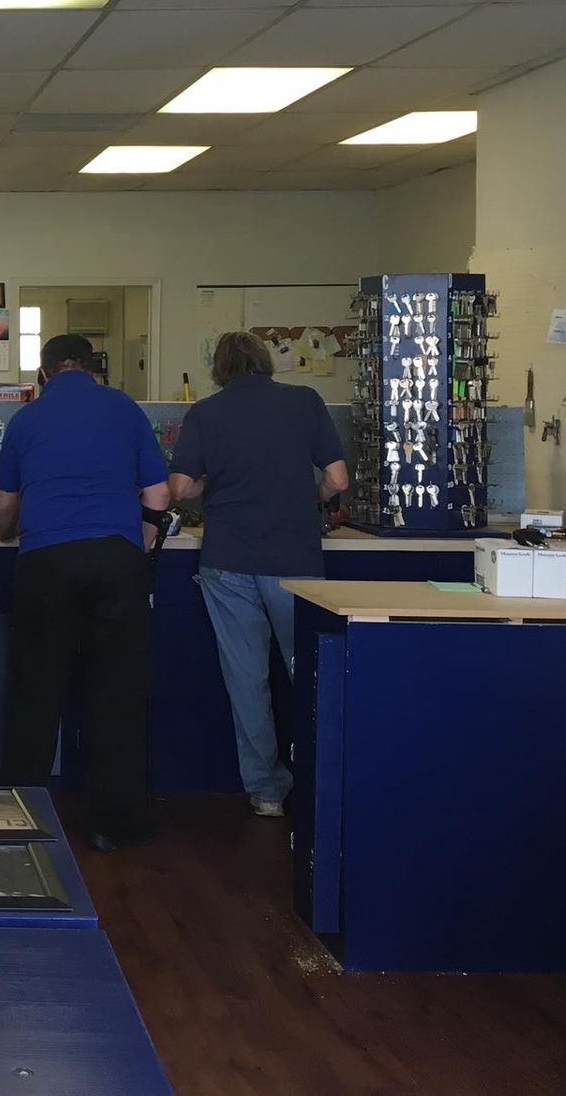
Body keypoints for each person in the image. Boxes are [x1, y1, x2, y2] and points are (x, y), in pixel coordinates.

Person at [0, 333, 171, 849]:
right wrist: (139, 540)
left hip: (46, 561)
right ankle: (115, 825)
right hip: (115, 562)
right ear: (95, 368)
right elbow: (159, 494)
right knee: (117, 695)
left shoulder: (26, 419)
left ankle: (23, 819)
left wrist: (4, 530)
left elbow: (5, 504)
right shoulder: (125, 408)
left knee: (35, 692)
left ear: (43, 373)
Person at [168, 331, 349, 817]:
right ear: (265, 361)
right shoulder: (305, 401)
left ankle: (267, 792)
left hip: (228, 560)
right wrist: (311, 499)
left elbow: (180, 488)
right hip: (296, 561)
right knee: (310, 671)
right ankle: (323, 781)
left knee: (247, 679)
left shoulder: (206, 412)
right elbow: (337, 479)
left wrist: (211, 484)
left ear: (220, 369)